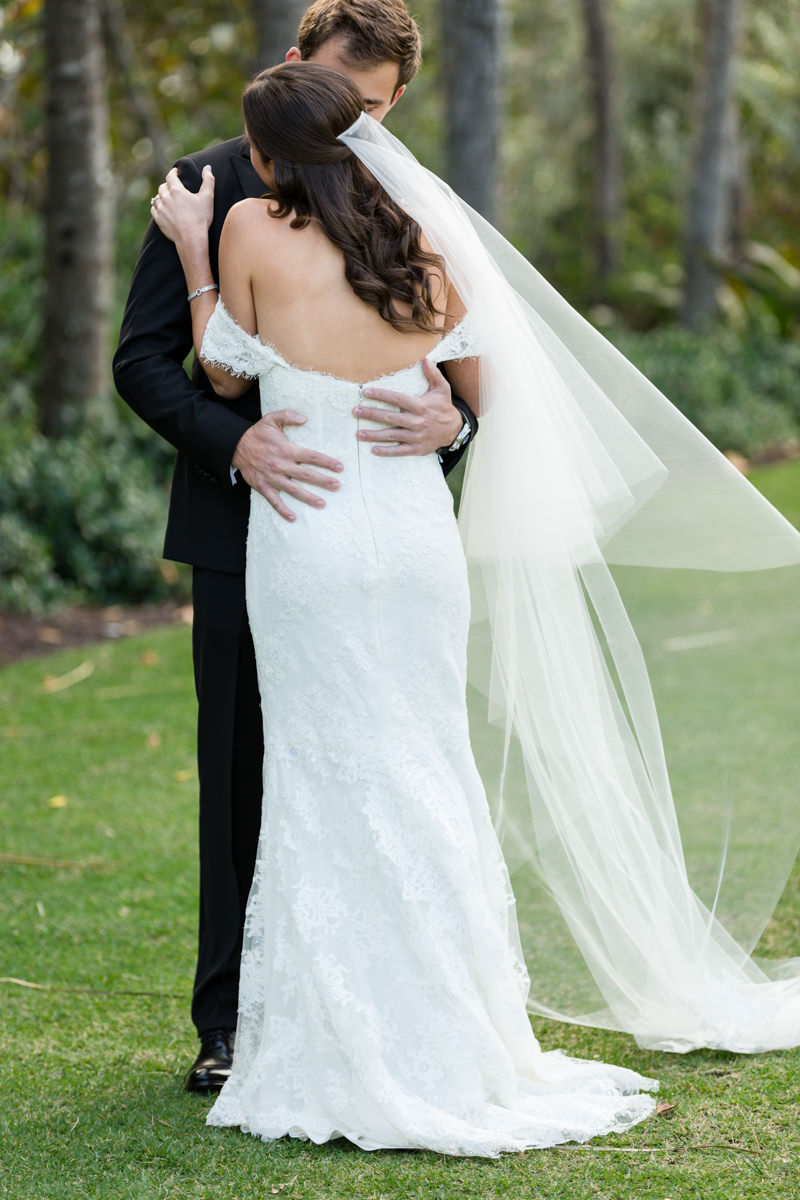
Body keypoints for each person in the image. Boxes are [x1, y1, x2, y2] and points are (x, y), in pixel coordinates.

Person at [150, 59, 662, 1156]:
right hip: (416, 544)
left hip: (311, 535)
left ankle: (340, 1037)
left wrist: (196, 251)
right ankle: (456, 1034)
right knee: (426, 766)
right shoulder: (418, 244)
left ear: (272, 158)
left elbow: (224, 375)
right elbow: (477, 384)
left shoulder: (246, 234)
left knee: (324, 775)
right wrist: (443, 422)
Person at [112, 0, 477, 1094]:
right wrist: (238, 448)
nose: (347, 128)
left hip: (385, 514)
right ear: (293, 67)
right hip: (246, 531)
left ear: (394, 103)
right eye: (333, 96)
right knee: (243, 772)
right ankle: (229, 1025)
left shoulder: (403, 196)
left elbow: (462, 359)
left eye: (368, 110)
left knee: (388, 752)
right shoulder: (206, 185)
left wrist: (453, 426)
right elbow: (144, 361)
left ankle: (390, 1000)